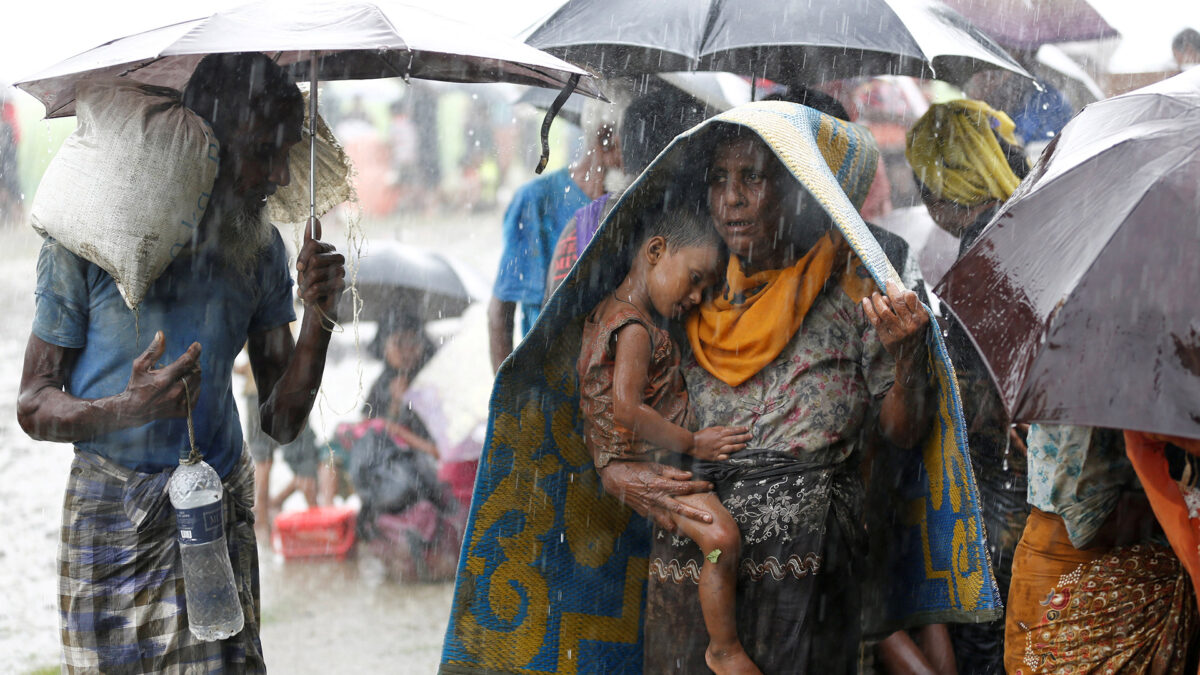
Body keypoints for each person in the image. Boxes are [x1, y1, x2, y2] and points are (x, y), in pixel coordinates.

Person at [16, 52, 346, 672]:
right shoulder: (90, 237)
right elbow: (34, 407)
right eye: (262, 152)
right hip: (113, 522)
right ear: (207, 141)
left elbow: (281, 423)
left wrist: (318, 318)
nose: (278, 175)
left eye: (286, 152)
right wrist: (127, 408)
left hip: (214, 516)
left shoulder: (263, 250)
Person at [618, 107, 937, 672]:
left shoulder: (855, 285)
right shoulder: (688, 289)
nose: (732, 199)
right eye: (719, 179)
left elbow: (904, 431)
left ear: (795, 190)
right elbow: (617, 406)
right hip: (700, 557)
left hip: (808, 561)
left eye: (753, 178)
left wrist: (909, 358)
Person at [576, 207, 755, 674]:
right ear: (656, 251)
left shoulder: (607, 313)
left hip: (636, 463)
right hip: (649, 466)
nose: (696, 297)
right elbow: (628, 410)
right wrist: (693, 444)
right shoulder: (634, 329)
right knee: (721, 539)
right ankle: (724, 648)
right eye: (695, 279)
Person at [905, 98, 1031, 674]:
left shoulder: (984, 250)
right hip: (1030, 476)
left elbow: (977, 396)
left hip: (998, 481)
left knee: (986, 630)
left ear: (939, 187)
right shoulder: (1025, 220)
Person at [1004, 424, 1196, 672]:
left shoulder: (1084, 394)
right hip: (1088, 595)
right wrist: (1181, 506)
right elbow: (1083, 520)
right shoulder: (1108, 404)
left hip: (1053, 578)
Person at [488, 117, 622, 372]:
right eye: (638, 145)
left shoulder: (633, 204)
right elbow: (500, 312)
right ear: (606, 142)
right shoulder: (536, 201)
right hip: (549, 380)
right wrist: (508, 402)